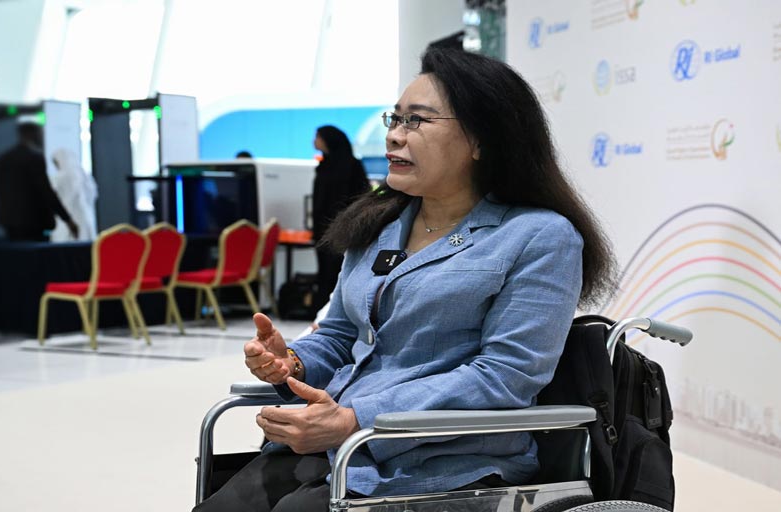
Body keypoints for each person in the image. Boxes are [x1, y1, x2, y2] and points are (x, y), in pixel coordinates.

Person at [193, 47, 615, 511]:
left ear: (480, 139)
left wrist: (358, 419)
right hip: (331, 447)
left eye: (417, 121)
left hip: (445, 465)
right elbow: (340, 336)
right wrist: (291, 363)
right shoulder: (377, 224)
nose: (395, 135)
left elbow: (505, 376)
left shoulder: (539, 236)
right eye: (394, 119)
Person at [311, 125, 370, 308]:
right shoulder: (323, 165)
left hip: (346, 229)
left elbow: (362, 197)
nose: (314, 141)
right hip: (322, 229)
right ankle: (321, 310)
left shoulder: (352, 165)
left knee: (341, 270)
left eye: (318, 137)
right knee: (324, 271)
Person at [0, 122, 78, 242]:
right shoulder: (35, 158)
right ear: (32, 134)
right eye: (40, 133)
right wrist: (67, 220)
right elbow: (46, 192)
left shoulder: (4, 159)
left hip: (9, 221)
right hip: (34, 221)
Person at [50, 148, 98, 242]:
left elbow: (52, 199)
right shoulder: (87, 178)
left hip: (66, 223)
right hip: (86, 221)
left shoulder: (58, 178)